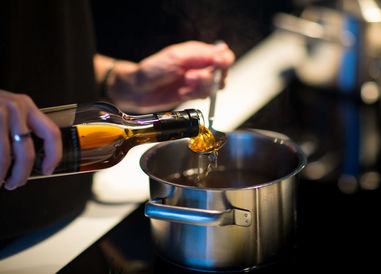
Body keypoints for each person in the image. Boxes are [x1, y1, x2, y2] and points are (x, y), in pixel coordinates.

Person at [0, 0, 234, 243]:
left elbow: (33, 47)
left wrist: (118, 81)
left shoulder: (113, 129)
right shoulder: (116, 140)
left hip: (68, 224)